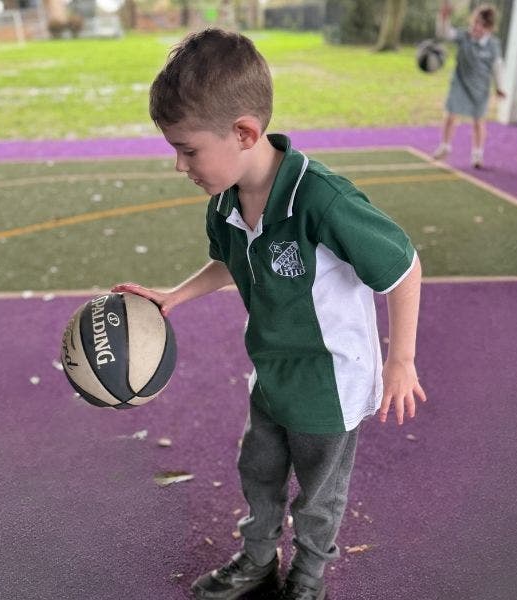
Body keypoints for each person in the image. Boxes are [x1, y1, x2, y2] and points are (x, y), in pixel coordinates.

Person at [113, 28, 427, 600]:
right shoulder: (227, 200)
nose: (179, 166)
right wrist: (175, 296)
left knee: (318, 496)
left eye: (187, 149)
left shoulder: (321, 200)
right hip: (272, 373)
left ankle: (308, 577)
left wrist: (401, 359)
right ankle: (257, 559)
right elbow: (234, 261)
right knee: (257, 474)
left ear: (244, 133)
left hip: (330, 384)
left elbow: (403, 268)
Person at [433, 1, 506, 168]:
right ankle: (444, 145)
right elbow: (445, 33)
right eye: (475, 23)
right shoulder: (464, 36)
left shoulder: (493, 45)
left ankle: (477, 154)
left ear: (489, 28)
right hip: (460, 83)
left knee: (478, 122)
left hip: (480, 89)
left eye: (481, 25)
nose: (476, 27)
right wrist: (444, 18)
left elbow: (497, 67)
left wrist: (500, 87)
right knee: (450, 116)